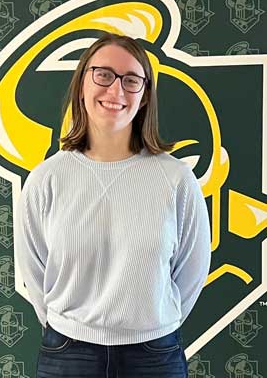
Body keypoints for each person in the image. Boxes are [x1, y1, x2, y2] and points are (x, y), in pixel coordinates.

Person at [14, 32, 211, 378]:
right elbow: (34, 270)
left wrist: (150, 322)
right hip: (67, 353)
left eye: (131, 80)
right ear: (81, 84)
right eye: (103, 74)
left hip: (154, 355)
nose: (116, 90)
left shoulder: (176, 179)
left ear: (145, 96)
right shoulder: (47, 179)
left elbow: (191, 272)